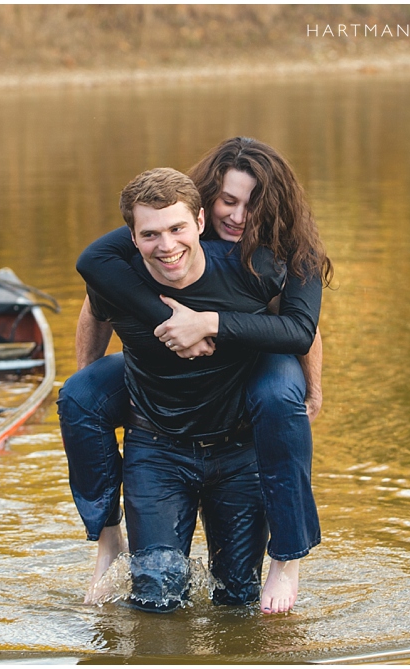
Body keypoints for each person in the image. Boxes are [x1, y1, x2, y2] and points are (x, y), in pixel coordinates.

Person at [59, 137, 332, 614]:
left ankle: (287, 556)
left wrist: (208, 324)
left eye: (253, 205)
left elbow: (300, 330)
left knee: (277, 395)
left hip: (246, 394)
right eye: (229, 200)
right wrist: (156, 327)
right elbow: (93, 280)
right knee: (81, 393)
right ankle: (108, 541)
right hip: (159, 424)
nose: (239, 216)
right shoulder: (162, 233)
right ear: (207, 203)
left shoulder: (273, 259)